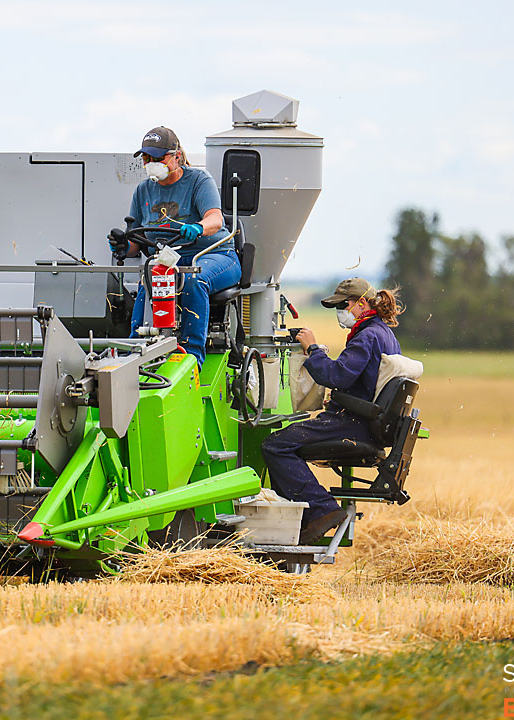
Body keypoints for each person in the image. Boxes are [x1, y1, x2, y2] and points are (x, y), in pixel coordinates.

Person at [260, 278, 404, 544]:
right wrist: (343, 399)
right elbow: (366, 383)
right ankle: (306, 519)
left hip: (353, 423)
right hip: (365, 422)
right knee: (284, 443)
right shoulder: (384, 333)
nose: (341, 311)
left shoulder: (368, 336)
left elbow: (337, 375)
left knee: (275, 445)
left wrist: (313, 349)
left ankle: (319, 510)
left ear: (362, 303)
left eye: (344, 304)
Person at [109, 126, 240, 367]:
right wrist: (122, 246)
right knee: (149, 280)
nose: (150, 163)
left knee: (191, 278)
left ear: (176, 156)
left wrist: (199, 227)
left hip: (212, 255)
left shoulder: (199, 180)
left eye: (157, 158)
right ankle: (135, 353)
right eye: (146, 158)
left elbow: (215, 219)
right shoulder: (143, 191)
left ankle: (191, 358)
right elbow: (135, 245)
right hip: (167, 260)